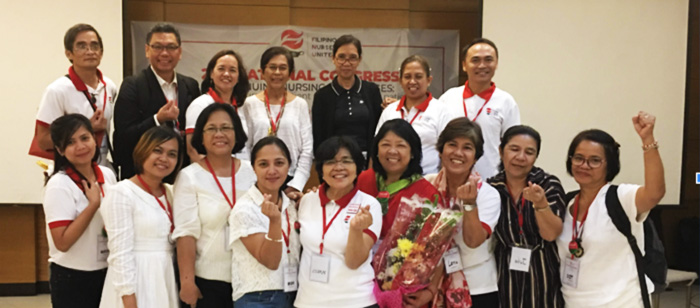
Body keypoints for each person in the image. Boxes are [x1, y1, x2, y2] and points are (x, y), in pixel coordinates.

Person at [556, 111, 665, 307]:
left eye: (595, 160)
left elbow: (654, 193)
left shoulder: (621, 197)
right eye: (578, 158)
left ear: (610, 165)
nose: (584, 165)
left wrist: (648, 140)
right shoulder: (566, 202)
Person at [173, 103, 255, 308]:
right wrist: (187, 282)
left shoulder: (252, 171)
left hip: (250, 279)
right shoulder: (189, 177)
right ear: (201, 136)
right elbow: (186, 234)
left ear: (237, 133)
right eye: (211, 129)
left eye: (226, 128)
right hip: (208, 282)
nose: (219, 134)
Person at [100, 126, 184, 308]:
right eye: (157, 150)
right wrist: (129, 300)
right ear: (143, 150)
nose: (164, 159)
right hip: (135, 281)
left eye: (172, 154)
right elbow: (120, 254)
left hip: (164, 277)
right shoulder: (121, 193)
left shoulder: (170, 192)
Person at [295, 136, 382, 308]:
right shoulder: (306, 201)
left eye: (346, 161)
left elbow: (354, 261)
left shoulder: (369, 205)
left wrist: (356, 230)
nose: (339, 167)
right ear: (320, 169)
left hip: (356, 301)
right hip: (308, 301)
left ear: (357, 167)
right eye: (330, 162)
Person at [424, 118, 501, 307]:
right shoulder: (426, 184)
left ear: (475, 157)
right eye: (452, 145)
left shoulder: (487, 194)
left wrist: (469, 204)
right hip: (429, 284)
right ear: (441, 150)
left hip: (477, 286)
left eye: (467, 147)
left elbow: (473, 241)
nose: (458, 153)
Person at [486, 125, 565, 307]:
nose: (520, 157)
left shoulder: (547, 184)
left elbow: (551, 234)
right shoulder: (491, 188)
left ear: (536, 157)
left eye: (529, 152)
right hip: (505, 271)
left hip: (543, 269)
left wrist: (540, 205)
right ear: (501, 151)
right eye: (514, 149)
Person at [43, 114, 117, 308]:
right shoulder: (59, 184)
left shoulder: (108, 175)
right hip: (72, 276)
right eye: (71, 142)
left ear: (95, 139)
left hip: (107, 270)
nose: (81, 146)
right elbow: (62, 242)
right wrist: (92, 206)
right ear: (60, 150)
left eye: (85, 138)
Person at [113, 22, 200, 179]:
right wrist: (157, 120)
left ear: (179, 52)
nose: (165, 53)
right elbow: (123, 138)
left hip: (183, 174)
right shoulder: (132, 85)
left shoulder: (191, 86)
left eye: (171, 47)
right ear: (147, 50)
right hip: (143, 176)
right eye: (158, 47)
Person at [228, 137, 301, 307]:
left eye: (279, 163)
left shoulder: (291, 205)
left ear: (289, 165)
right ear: (253, 168)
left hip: (293, 292)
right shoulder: (244, 209)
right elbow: (271, 261)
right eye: (263, 164)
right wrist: (274, 222)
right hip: (258, 298)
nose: (272, 170)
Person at [33, 24, 117, 166]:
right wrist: (86, 128)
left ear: (101, 52)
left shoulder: (110, 86)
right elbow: (43, 141)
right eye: (82, 46)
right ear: (69, 53)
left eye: (94, 46)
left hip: (102, 169)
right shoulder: (57, 90)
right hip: (70, 171)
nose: (90, 51)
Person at [439, 38, 520, 180]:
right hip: (450, 180)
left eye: (488, 60)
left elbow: (513, 146)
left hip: (490, 180)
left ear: (496, 64)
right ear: (464, 65)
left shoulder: (506, 102)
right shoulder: (448, 98)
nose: (482, 65)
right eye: (475, 60)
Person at [240, 46, 312, 201]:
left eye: (282, 68)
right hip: (258, 179)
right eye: (272, 67)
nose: (277, 72)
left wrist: (296, 184)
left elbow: (307, 149)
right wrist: (253, 179)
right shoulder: (249, 104)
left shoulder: (300, 105)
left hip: (290, 181)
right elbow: (245, 147)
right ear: (262, 72)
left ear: (290, 74)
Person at [357, 119, 444, 238]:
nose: (392, 151)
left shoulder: (427, 194)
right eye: (385, 144)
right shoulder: (362, 180)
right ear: (376, 150)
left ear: (413, 152)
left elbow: (430, 241)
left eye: (401, 145)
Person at [376, 55, 450, 175]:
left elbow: (447, 153)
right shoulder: (389, 111)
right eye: (407, 77)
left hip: (427, 181)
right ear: (400, 81)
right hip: (390, 183)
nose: (412, 81)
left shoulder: (441, 111)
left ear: (429, 80)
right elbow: (377, 147)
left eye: (418, 76)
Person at [312, 35, 383, 159]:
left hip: (368, 162)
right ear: (333, 59)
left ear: (359, 60)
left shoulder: (371, 91)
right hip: (335, 161)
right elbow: (319, 138)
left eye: (352, 58)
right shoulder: (322, 96)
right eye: (341, 57)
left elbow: (378, 130)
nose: (346, 63)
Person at [185, 49, 251, 163]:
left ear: (239, 76)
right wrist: (214, 176)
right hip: (212, 175)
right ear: (211, 73)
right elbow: (193, 150)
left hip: (241, 173)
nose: (226, 74)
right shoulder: (200, 105)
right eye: (221, 69)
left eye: (232, 70)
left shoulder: (242, 107)